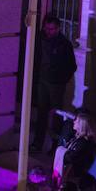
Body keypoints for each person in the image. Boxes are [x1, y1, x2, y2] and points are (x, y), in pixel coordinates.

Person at [32, 16, 77, 152]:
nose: (48, 31)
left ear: (57, 29)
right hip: (43, 81)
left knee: (56, 115)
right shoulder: (41, 39)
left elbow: (72, 66)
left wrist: (61, 80)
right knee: (41, 113)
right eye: (46, 28)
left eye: (51, 29)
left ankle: (54, 145)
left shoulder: (64, 44)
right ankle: (37, 143)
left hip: (56, 84)